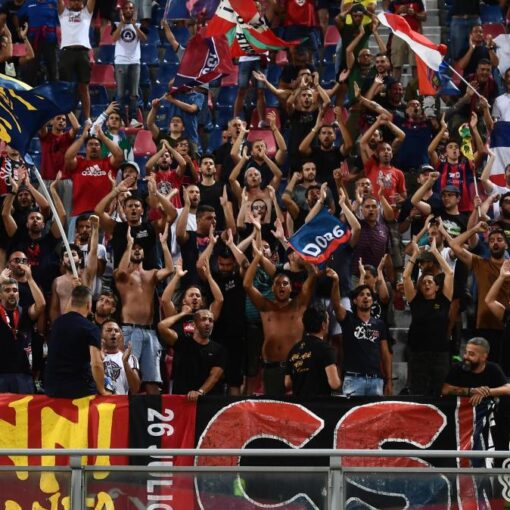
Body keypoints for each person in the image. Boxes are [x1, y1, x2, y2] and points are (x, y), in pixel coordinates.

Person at [243, 245, 317, 395]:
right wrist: (257, 258)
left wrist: (306, 260)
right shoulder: (265, 306)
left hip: (296, 367)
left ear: (291, 288)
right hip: (271, 369)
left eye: (285, 283)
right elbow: (247, 284)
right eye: (277, 283)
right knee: (273, 407)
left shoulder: (299, 304)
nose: (281, 286)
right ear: (272, 288)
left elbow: (313, 276)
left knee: (296, 408)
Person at [114, 226, 173, 394]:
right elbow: (121, 272)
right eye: (134, 248)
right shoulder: (122, 275)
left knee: (152, 382)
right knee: (129, 380)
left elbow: (169, 269)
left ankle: (153, 410)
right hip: (129, 330)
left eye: (140, 248)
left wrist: (164, 245)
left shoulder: (151, 274)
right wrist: (129, 244)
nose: (137, 250)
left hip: (150, 332)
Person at [329, 269, 393, 396]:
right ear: (355, 300)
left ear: (372, 300)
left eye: (368, 295)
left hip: (376, 380)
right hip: (353, 380)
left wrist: (389, 381)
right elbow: (336, 305)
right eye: (362, 294)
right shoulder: (348, 319)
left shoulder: (379, 324)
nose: (366, 297)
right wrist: (336, 282)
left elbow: (385, 353)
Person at [403, 237, 453, 396]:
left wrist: (436, 253)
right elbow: (405, 277)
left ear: (437, 286)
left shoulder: (444, 300)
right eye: (424, 282)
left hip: (440, 353)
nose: (426, 284)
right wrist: (415, 254)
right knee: (418, 393)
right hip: (418, 354)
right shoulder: (415, 300)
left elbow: (449, 273)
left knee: (439, 393)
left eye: (430, 282)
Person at [45, 285, 110, 398]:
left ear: (71, 302)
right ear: (89, 305)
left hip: (52, 390)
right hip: (79, 391)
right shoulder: (91, 328)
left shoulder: (56, 324)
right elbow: (96, 364)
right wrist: (102, 390)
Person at [158, 308, 226, 400]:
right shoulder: (181, 342)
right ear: (194, 324)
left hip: (207, 400)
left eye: (211, 320)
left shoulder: (219, 349)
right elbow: (162, 326)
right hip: (181, 398)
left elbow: (214, 376)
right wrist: (183, 313)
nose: (207, 323)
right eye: (203, 319)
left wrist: (200, 392)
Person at [0, 267, 45, 393]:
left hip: (23, 374)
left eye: (15, 290)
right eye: (7, 290)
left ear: (19, 295)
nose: (12, 293)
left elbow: (41, 304)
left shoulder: (25, 313)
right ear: (0, 295)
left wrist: (30, 279)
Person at [285, 305, 341, 397]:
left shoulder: (294, 350)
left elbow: (287, 383)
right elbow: (334, 384)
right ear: (323, 325)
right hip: (319, 403)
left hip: (299, 403)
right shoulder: (326, 349)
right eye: (328, 320)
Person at [57, 0, 96, 123]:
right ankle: (65, 117)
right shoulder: (63, 12)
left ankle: (87, 118)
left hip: (83, 52)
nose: (76, 3)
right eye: (73, 0)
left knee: (84, 87)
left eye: (78, 0)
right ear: (69, 2)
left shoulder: (86, 13)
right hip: (66, 52)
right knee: (65, 88)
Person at [112, 1, 147, 127]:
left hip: (135, 61)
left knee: (134, 93)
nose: (128, 10)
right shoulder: (116, 24)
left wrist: (134, 26)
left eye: (131, 8)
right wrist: (122, 24)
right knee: (120, 93)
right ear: (122, 11)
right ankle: (121, 119)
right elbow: (113, 39)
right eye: (126, 8)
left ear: (134, 10)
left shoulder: (139, 24)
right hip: (121, 61)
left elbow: (144, 39)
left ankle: (133, 119)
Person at [101, 319, 140, 395]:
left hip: (120, 401)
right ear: (101, 335)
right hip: (99, 401)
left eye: (116, 331)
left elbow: (135, 389)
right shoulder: (94, 357)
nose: (113, 333)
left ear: (121, 336)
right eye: (109, 330)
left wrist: (125, 362)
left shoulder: (130, 358)